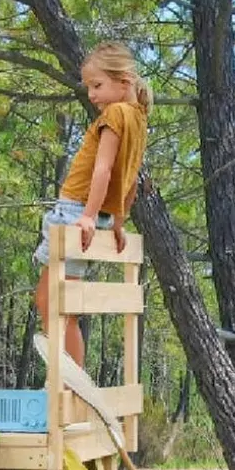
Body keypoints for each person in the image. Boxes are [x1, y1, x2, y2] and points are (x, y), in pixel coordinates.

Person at [34, 41, 152, 367]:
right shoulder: (138, 119)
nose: (92, 94)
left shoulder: (115, 114)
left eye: (97, 85)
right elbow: (130, 178)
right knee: (52, 303)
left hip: (76, 211)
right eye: (89, 87)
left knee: (55, 304)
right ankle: (70, 382)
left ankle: (72, 385)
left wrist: (87, 216)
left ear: (124, 81)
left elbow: (104, 169)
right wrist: (117, 221)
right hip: (95, 213)